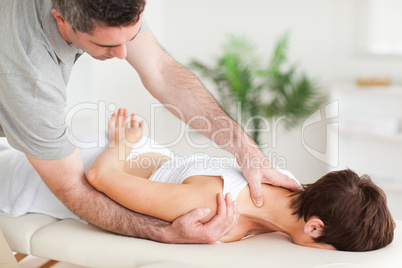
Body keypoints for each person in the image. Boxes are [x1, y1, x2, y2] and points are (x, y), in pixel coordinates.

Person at [0, 0, 300, 243]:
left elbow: (160, 70)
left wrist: (246, 149)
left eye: (131, 37)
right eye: (105, 45)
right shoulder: (31, 77)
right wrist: (166, 233)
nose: (122, 55)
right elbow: (73, 188)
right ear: (61, 19)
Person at [86, 109, 395, 251]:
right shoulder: (208, 205)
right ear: (314, 227)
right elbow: (99, 176)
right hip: (106, 155)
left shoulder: (287, 185)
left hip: (154, 158)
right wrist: (124, 141)